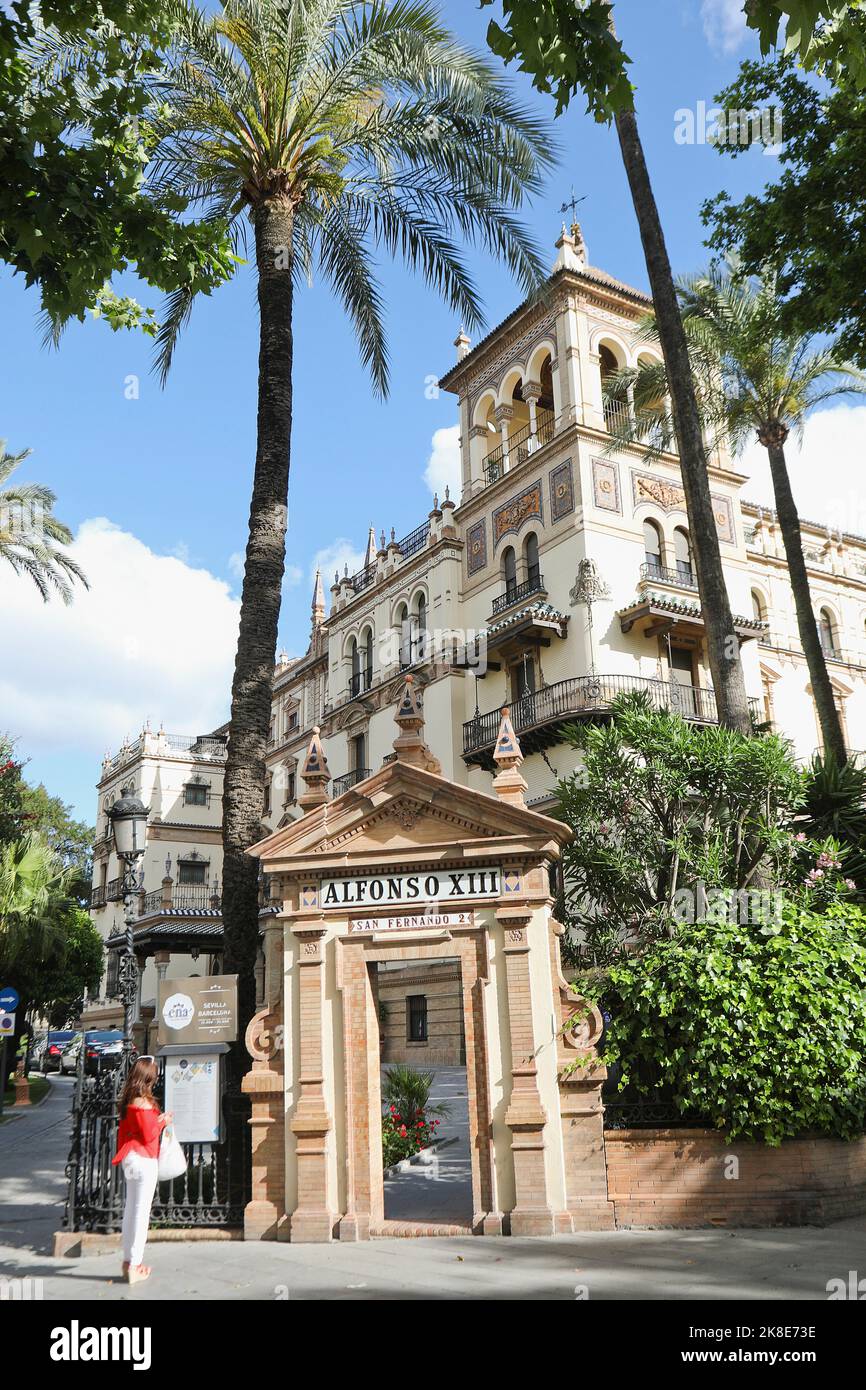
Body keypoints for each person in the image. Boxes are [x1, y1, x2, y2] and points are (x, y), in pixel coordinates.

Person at [112, 1057, 171, 1284]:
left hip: (130, 1158)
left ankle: (128, 1260)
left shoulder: (128, 1099)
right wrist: (162, 1121)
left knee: (131, 1210)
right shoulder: (144, 1102)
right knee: (141, 1213)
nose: (156, 1078)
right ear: (149, 1076)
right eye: (154, 1074)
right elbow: (149, 1134)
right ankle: (136, 1265)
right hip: (144, 1159)